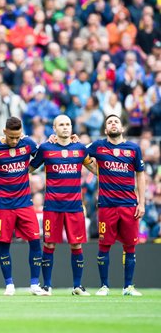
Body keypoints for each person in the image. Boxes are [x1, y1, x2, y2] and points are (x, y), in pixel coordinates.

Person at [0, 117, 47, 296]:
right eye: (12, 137)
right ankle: (9, 284)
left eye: (17, 137)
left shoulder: (28, 143)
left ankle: (35, 284)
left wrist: (29, 169)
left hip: (24, 202)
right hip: (3, 204)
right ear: (5, 132)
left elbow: (43, 154)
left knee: (35, 241)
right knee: (4, 244)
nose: (15, 141)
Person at [29, 115, 97, 296]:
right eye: (61, 124)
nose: (65, 127)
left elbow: (95, 169)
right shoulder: (45, 148)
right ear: (54, 128)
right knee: (49, 244)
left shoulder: (80, 149)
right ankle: (47, 285)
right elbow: (29, 168)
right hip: (52, 206)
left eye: (68, 124)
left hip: (75, 206)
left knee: (76, 245)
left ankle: (77, 286)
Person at [87, 115, 145, 296]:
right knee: (104, 245)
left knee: (130, 246)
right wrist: (97, 171)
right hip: (107, 205)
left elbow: (140, 175)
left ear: (122, 127)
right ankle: (104, 286)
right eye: (109, 122)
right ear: (105, 130)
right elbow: (80, 154)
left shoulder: (133, 149)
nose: (113, 124)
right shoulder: (98, 146)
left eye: (116, 122)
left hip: (129, 204)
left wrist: (141, 203)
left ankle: (128, 286)